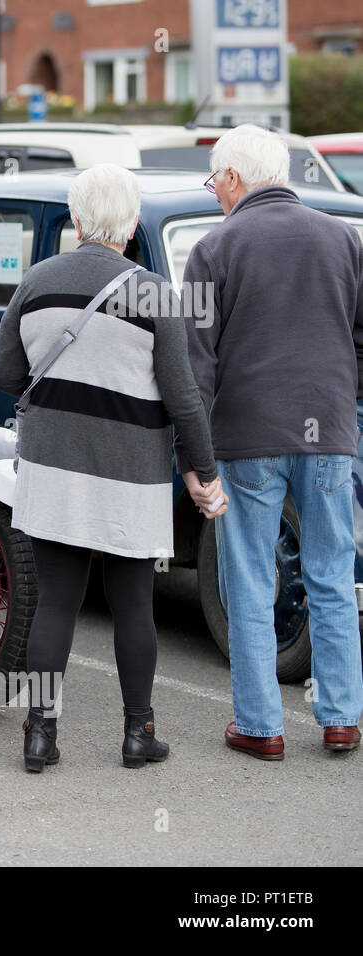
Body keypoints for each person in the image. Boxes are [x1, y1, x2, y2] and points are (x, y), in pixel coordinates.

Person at [0, 163, 225, 772]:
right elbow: (184, 398)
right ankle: (137, 734)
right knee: (134, 606)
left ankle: (39, 734)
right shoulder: (152, 292)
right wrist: (202, 470)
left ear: (75, 219)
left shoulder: (36, 282)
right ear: (130, 225)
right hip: (130, 474)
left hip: (53, 469)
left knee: (56, 604)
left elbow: (3, 378)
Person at [178, 124, 363, 758]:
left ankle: (261, 729)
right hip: (331, 435)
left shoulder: (214, 249)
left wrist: (195, 461)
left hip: (248, 437)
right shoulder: (344, 240)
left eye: (215, 181)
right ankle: (341, 718)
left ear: (234, 178)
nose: (215, 194)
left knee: (251, 580)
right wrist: (337, 396)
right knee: (333, 575)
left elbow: (194, 365)